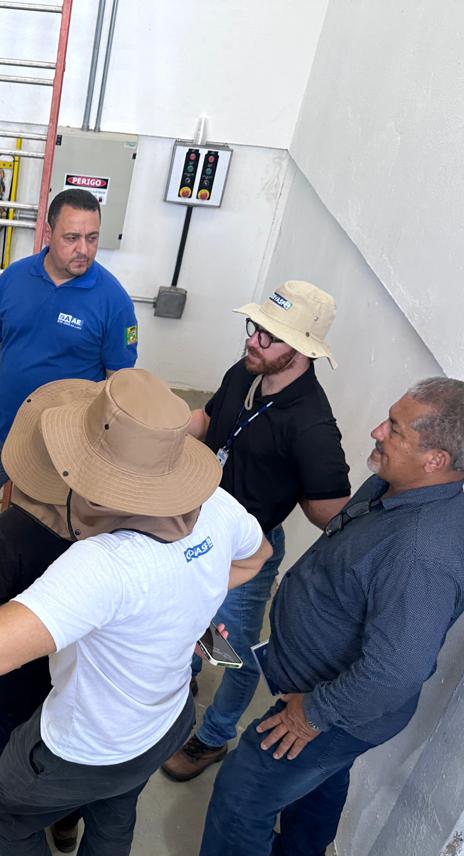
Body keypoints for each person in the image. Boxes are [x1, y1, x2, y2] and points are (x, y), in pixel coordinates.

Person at [0, 369, 270, 856]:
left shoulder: (104, 564)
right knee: (115, 814)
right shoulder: (218, 506)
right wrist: (186, 607)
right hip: (164, 722)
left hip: (85, 739)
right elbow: (256, 556)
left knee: (10, 806)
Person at [149, 377, 464, 856]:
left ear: (436, 459)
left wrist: (313, 714)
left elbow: (397, 671)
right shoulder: (392, 487)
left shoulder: (423, 552)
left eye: (394, 430)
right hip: (321, 692)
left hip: (337, 707)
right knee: (324, 776)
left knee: (245, 792)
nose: (377, 432)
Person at [161, 281, 351, 782]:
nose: (253, 340)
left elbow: (333, 513)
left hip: (246, 550)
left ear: (301, 350)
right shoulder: (247, 371)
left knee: (237, 655)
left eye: (269, 336)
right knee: (192, 615)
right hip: (195, 525)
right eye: (255, 327)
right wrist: (157, 429)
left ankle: (213, 736)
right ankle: (185, 679)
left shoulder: (311, 425)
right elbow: (207, 420)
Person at [0, 380, 103, 856]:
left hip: (20, 676)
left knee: (16, 760)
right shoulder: (121, 526)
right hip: (85, 674)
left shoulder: (14, 530)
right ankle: (66, 821)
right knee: (71, 756)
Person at [0, 187, 138, 586]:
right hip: (2, 424)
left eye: (92, 238)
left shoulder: (113, 301)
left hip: (62, 443)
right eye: (72, 237)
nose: (83, 250)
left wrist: (103, 450)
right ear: (48, 233)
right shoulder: (15, 278)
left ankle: (24, 578)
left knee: (43, 525)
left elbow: (119, 384)